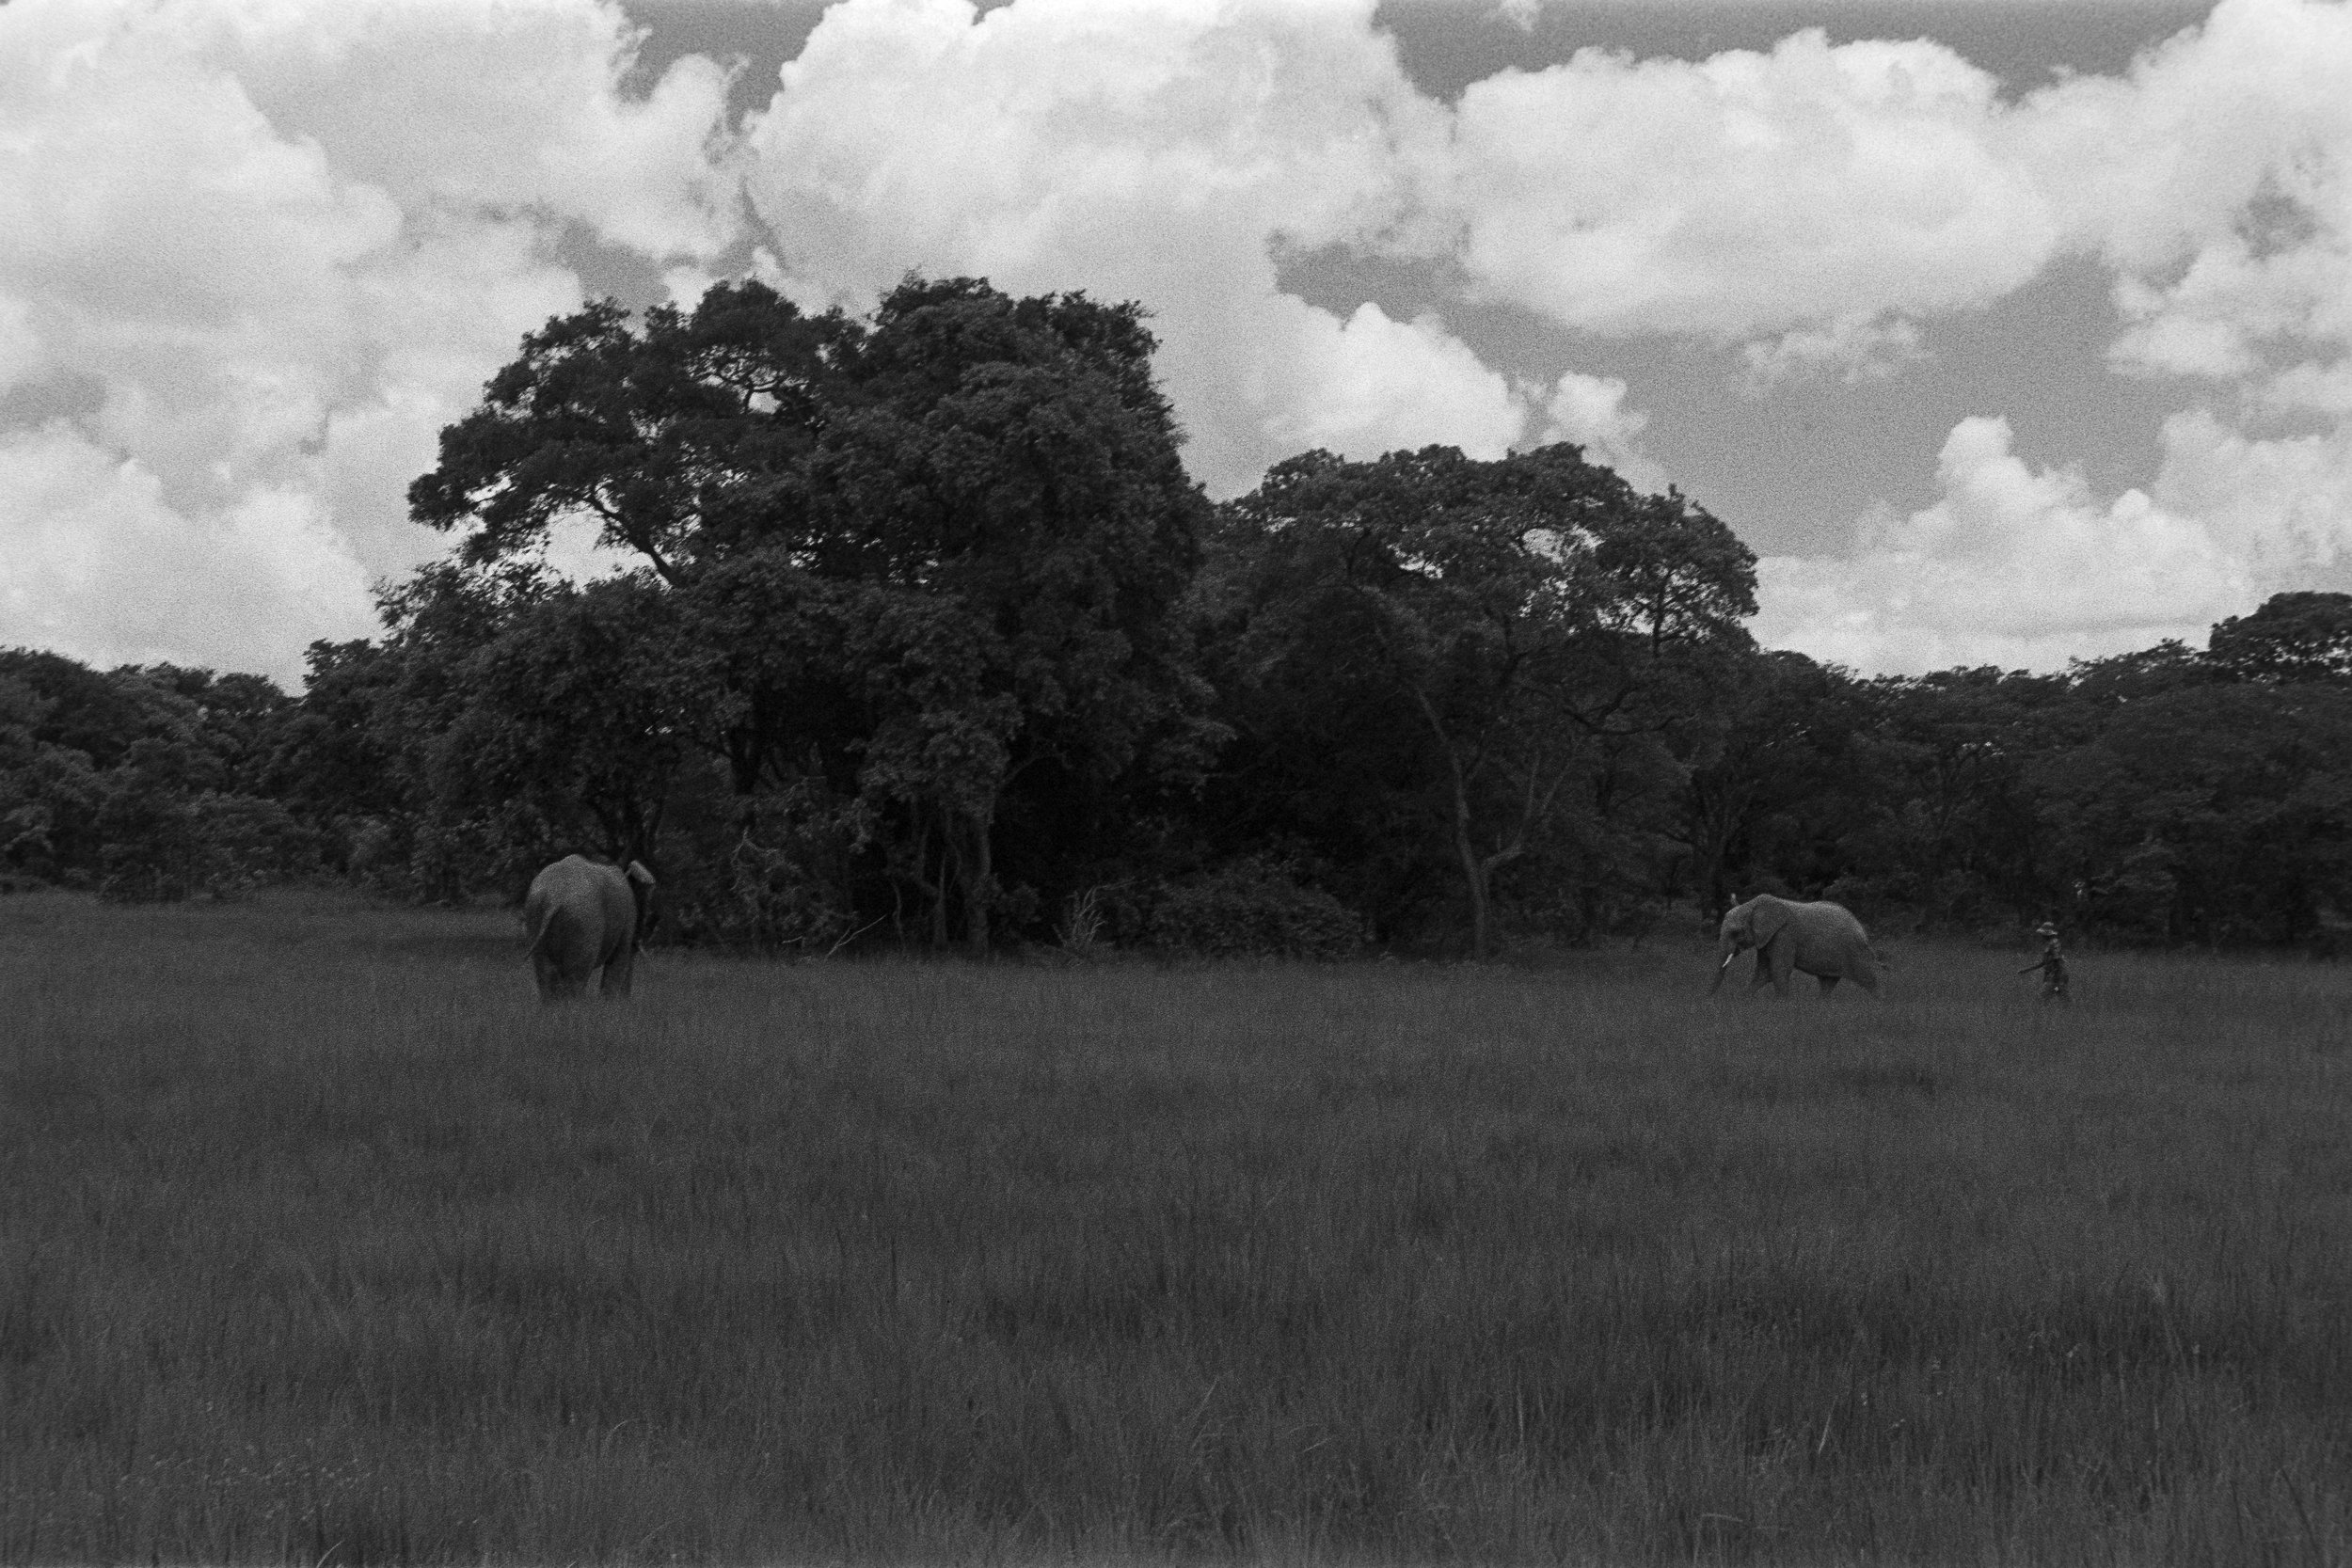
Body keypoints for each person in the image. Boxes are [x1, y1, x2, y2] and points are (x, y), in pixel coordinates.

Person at [2018, 920, 2069, 1002]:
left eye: (2042, 934)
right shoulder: (2051, 943)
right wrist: (2027, 970)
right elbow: (2044, 962)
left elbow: (2057, 960)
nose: (2041, 936)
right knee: (2058, 992)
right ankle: (2060, 993)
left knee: (2041, 999)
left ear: (2047, 934)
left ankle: (2061, 994)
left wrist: (2055, 976)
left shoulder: (2053, 943)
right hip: (2056, 977)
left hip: (2056, 976)